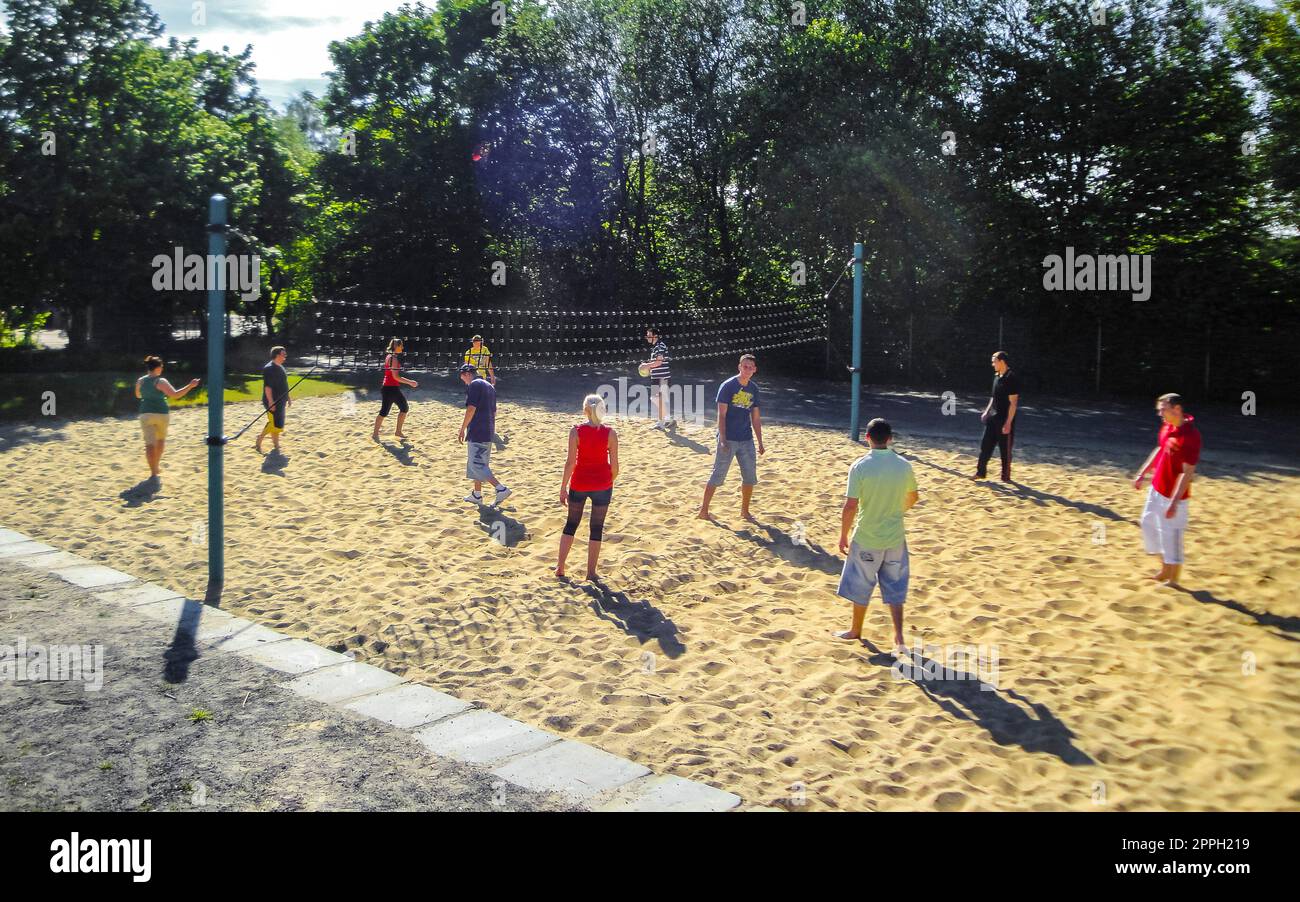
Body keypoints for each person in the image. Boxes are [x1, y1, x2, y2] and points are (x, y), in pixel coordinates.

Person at [836, 418, 919, 657]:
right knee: (895, 587)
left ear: (867, 438)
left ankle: (855, 630)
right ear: (890, 439)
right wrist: (895, 511)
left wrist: (843, 534)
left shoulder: (861, 466)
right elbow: (913, 497)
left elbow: (850, 506)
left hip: (867, 536)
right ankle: (900, 638)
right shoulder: (903, 465)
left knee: (861, 584)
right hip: (895, 537)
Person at [1133, 393, 1201, 586]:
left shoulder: (1190, 436)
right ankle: (1164, 568)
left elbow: (1187, 473)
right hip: (1157, 488)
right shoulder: (1167, 426)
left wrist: (1174, 502)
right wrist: (1142, 473)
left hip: (1175, 496)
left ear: (1177, 409)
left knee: (1172, 535)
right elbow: (1160, 449)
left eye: (1163, 409)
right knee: (1147, 525)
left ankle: (1174, 579)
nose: (1160, 413)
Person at [556, 394, 620, 581]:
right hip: (602, 485)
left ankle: (560, 567)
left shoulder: (576, 432)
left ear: (585, 411)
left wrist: (563, 487)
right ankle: (591, 573)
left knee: (571, 524)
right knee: (596, 528)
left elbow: (570, 463)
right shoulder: (610, 433)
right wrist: (607, 482)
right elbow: (615, 467)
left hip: (579, 483)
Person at [698, 354, 764, 521]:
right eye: (745, 366)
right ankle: (703, 511)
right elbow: (721, 415)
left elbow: (755, 418)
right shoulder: (728, 386)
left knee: (749, 476)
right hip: (728, 437)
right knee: (718, 474)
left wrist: (760, 442)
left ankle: (745, 511)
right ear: (739, 367)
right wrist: (722, 439)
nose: (747, 369)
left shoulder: (753, 388)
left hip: (746, 438)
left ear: (754, 370)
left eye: (751, 367)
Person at [134, 356, 200, 480]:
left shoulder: (140, 381)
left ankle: (153, 471)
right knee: (160, 441)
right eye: (162, 366)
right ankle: (156, 466)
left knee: (149, 444)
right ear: (158, 367)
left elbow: (138, 395)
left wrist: (147, 396)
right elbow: (175, 395)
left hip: (145, 413)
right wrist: (190, 386)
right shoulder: (160, 381)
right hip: (161, 413)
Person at [458, 363, 511, 505]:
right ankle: (477, 495)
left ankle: (501, 489)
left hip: (477, 431)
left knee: (477, 464)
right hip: (488, 430)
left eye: (462, 376)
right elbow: (494, 411)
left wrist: (462, 428)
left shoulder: (474, 385)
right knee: (478, 463)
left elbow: (471, 409)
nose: (462, 380)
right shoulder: (489, 386)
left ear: (468, 374)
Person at [974, 350, 1020, 481]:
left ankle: (1005, 477)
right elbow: (993, 397)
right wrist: (986, 411)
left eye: (994, 361)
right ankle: (980, 472)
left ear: (1002, 361)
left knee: (1005, 451)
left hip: (1004, 419)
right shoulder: (996, 377)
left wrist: (1008, 423)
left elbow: (1013, 403)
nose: (992, 364)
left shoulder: (1011, 378)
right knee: (985, 446)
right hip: (993, 419)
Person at [372, 338, 419, 440]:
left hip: (389, 388)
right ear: (397, 346)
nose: (402, 347)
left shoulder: (389, 356)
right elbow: (396, 377)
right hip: (390, 388)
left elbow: (393, 376)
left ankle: (382, 433)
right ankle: (382, 433)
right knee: (390, 410)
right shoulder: (393, 359)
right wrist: (410, 382)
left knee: (398, 409)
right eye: (401, 345)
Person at [256, 346, 291, 454]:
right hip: (272, 401)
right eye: (283, 354)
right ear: (277, 355)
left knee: (278, 425)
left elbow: (284, 384)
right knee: (273, 424)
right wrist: (271, 402)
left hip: (281, 400)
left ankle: (276, 446)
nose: (285, 356)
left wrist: (288, 397)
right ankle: (259, 439)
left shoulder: (281, 367)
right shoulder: (269, 368)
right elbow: (268, 387)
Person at [641, 327, 674, 429]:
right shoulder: (656, 347)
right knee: (656, 399)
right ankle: (668, 419)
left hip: (662, 377)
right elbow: (657, 363)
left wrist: (646, 366)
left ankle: (662, 422)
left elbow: (659, 362)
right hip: (657, 377)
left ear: (655, 336)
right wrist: (649, 368)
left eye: (649, 335)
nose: (647, 337)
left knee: (658, 399)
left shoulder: (660, 346)